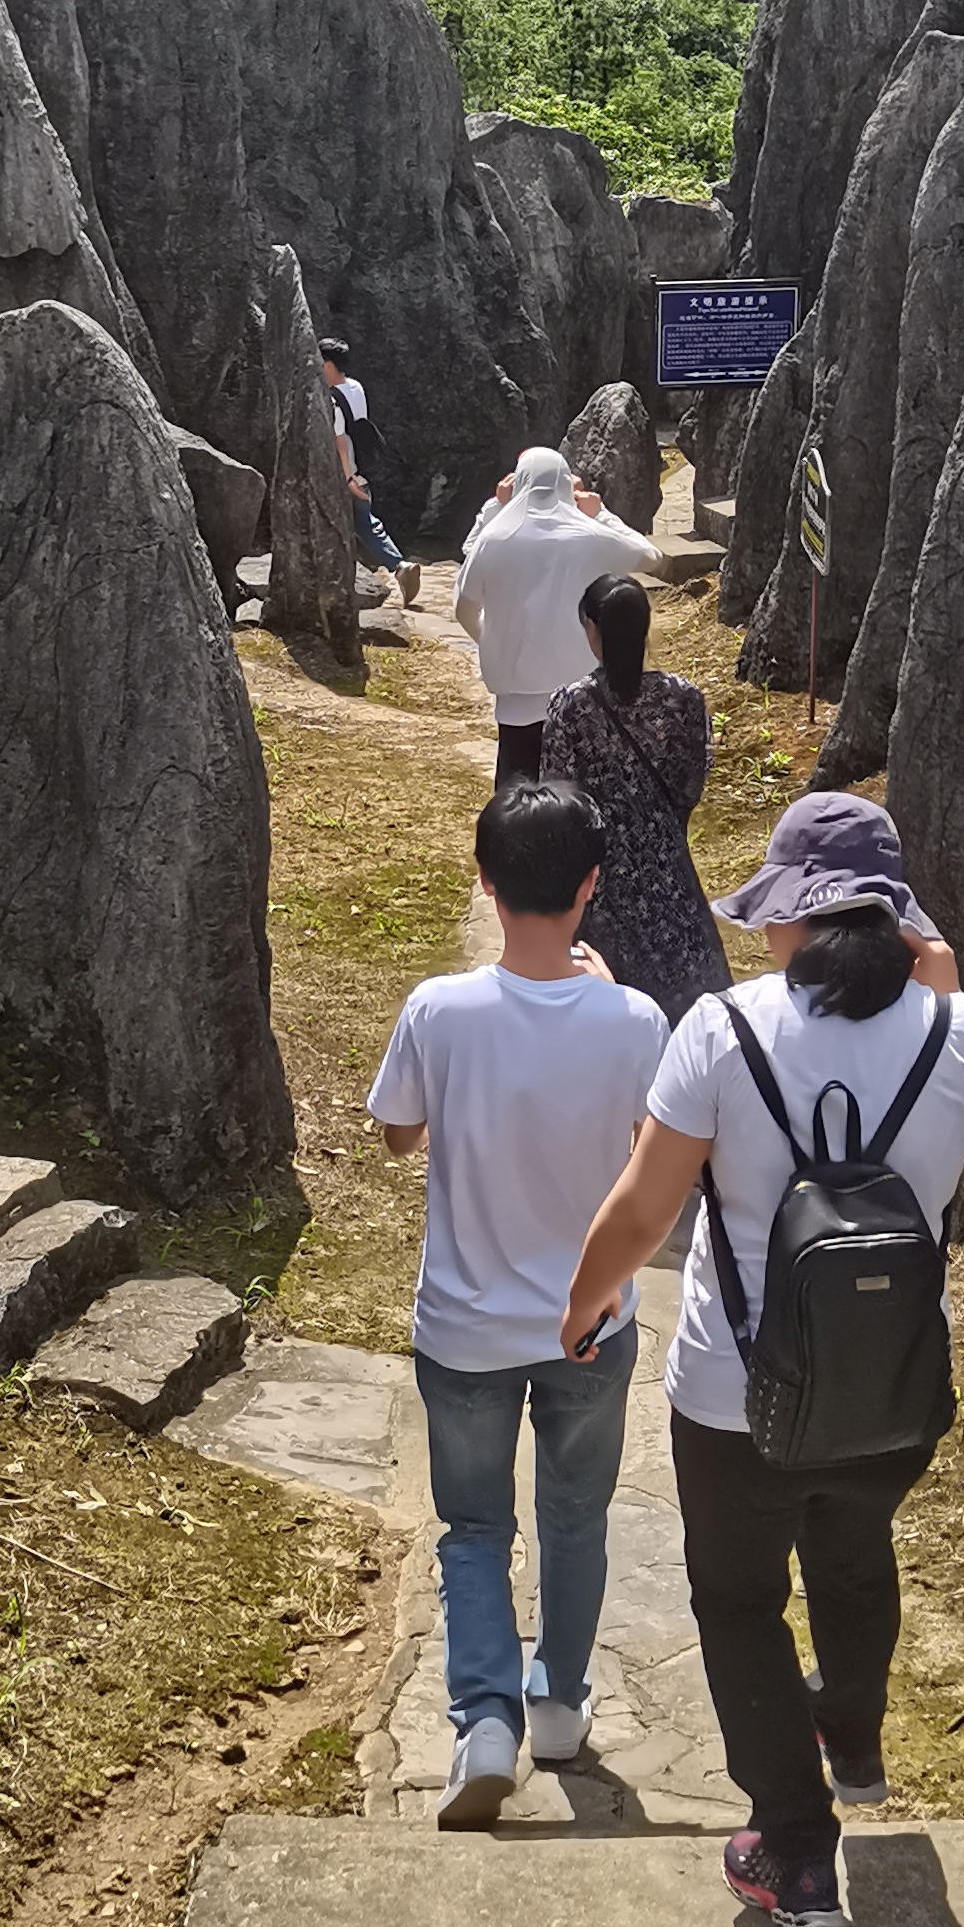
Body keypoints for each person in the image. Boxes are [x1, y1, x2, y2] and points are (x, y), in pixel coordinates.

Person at [558, 791, 964, 1927]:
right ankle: (855, 1729)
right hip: (891, 1391)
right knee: (854, 1543)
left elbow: (644, 1208)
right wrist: (955, 995)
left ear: (790, 918)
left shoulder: (721, 1031)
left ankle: (795, 1852)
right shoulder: (954, 1031)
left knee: (737, 1604)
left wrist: (584, 1302)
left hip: (734, 1396)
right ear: (892, 922)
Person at [370, 777, 670, 1828]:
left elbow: (399, 1135)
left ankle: (483, 1720)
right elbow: (655, 1155)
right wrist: (616, 1005)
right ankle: (557, 1704)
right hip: (591, 1322)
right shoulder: (636, 1019)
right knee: (575, 1516)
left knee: (473, 1526)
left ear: (485, 881)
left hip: (463, 1326)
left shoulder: (436, 1011)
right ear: (590, 886)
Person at [538, 574, 731, 1022]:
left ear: (592, 628)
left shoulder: (571, 705)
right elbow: (690, 786)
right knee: (691, 1016)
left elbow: (559, 799)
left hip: (601, 884)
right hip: (671, 876)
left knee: (608, 1015)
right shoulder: (684, 698)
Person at [452, 446, 661, 786]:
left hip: (516, 697)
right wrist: (600, 513)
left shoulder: (495, 537)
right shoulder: (590, 536)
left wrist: (493, 640)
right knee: (578, 792)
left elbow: (464, 603)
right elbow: (650, 556)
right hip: (581, 692)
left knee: (516, 795)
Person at [320, 338, 418, 608]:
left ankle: (397, 567)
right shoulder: (355, 388)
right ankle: (399, 567)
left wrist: (348, 478)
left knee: (357, 521)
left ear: (327, 363)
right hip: (363, 464)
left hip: (346, 470)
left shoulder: (330, 398)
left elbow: (340, 440)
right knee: (365, 520)